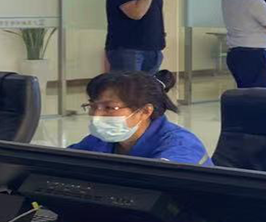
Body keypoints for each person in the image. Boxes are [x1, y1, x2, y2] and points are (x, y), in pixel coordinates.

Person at [69, 70, 210, 165]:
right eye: (93, 106)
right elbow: (65, 163)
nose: (96, 115)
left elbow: (162, 183)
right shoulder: (99, 140)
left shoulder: (180, 145)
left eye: (109, 108)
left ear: (145, 111)